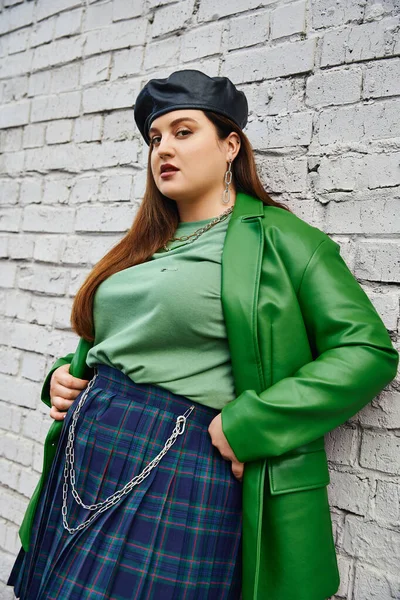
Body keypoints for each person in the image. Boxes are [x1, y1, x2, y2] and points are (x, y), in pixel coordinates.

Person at [7, 69, 399, 600]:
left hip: (179, 463)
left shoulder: (283, 241)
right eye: (155, 138)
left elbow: (366, 350)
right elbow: (125, 338)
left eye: (183, 131)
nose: (164, 148)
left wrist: (252, 423)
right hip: (88, 448)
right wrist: (61, 375)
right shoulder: (144, 242)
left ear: (230, 144)